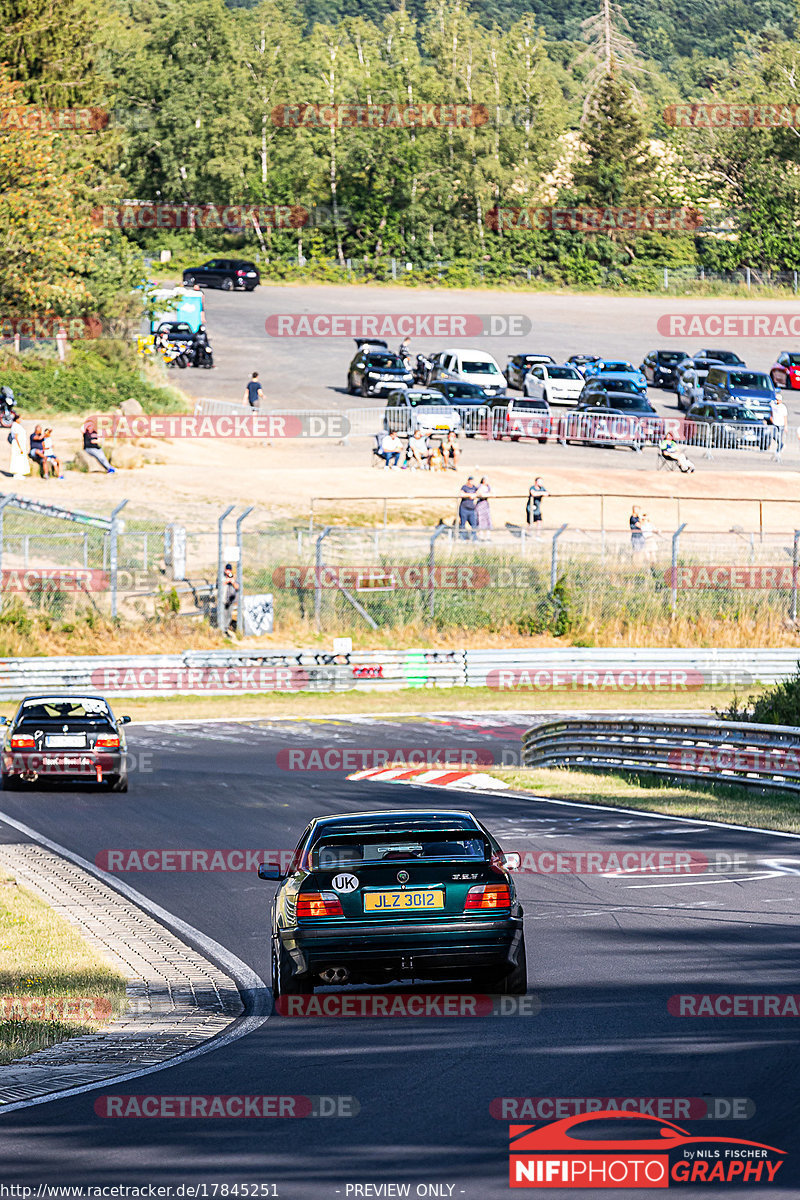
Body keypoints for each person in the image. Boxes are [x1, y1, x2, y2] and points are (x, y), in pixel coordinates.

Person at [769, 393, 787, 458]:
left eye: (778, 400)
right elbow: (771, 412)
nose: (777, 401)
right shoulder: (773, 405)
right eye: (776, 399)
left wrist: (786, 426)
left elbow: (785, 416)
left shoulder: (783, 407)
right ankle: (781, 444)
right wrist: (771, 418)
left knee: (779, 437)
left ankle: (778, 451)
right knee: (774, 436)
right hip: (775, 423)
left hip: (781, 424)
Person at [222, 563, 239, 631]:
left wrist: (233, 582)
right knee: (223, 614)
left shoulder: (232, 577)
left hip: (230, 600)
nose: (228, 571)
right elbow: (219, 585)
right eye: (227, 570)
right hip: (223, 599)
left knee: (229, 615)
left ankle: (226, 628)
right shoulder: (222, 577)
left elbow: (237, 587)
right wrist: (226, 581)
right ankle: (222, 629)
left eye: (229, 570)